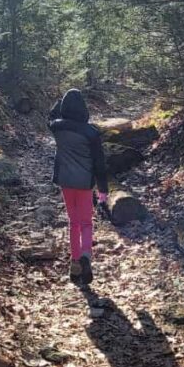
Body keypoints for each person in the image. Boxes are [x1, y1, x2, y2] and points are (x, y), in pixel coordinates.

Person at [48, 88, 108, 284]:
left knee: (73, 223)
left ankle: (74, 262)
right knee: (86, 223)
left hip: (66, 181)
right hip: (85, 183)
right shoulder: (91, 133)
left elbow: (52, 115)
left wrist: (60, 101)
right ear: (84, 109)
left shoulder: (57, 127)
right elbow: (99, 163)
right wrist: (103, 190)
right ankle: (86, 256)